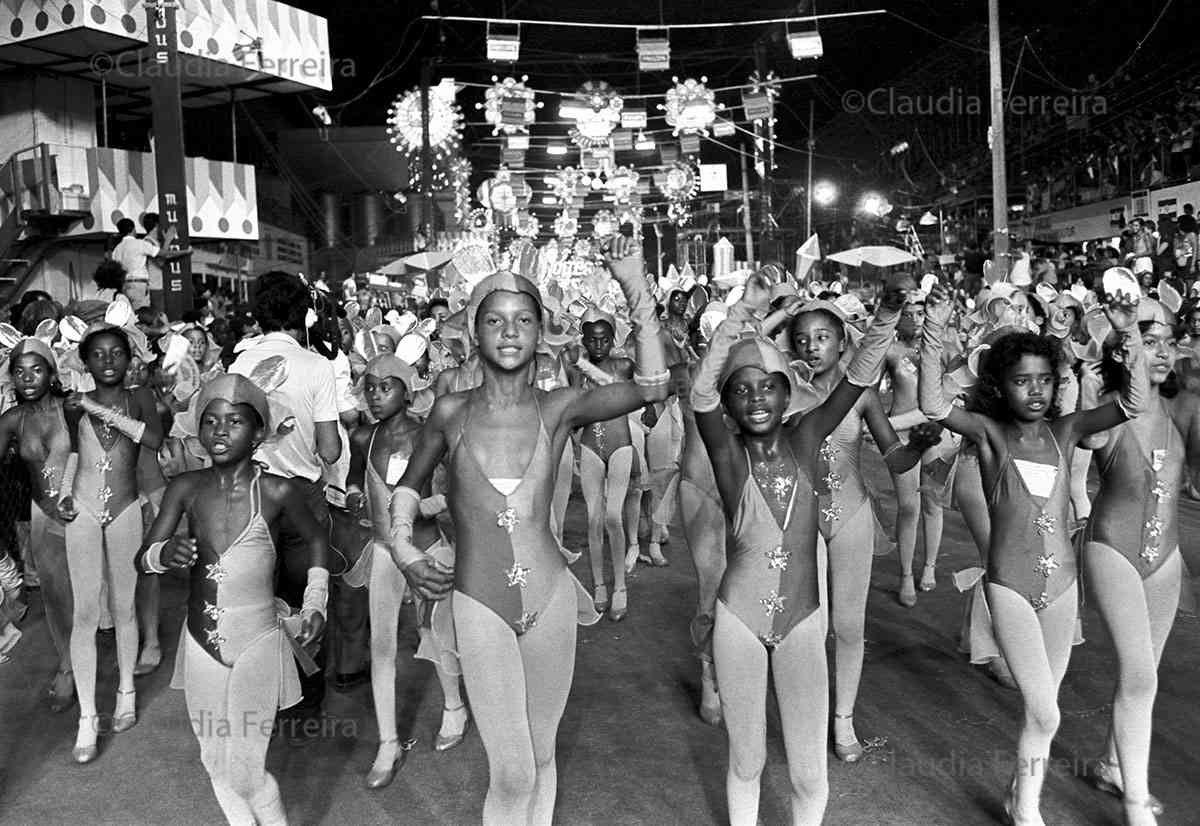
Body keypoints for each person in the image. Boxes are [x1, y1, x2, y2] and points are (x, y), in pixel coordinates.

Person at [390, 235, 668, 825]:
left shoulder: (560, 406)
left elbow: (654, 388)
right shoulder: (450, 411)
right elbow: (408, 489)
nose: (510, 331)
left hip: (551, 598)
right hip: (477, 600)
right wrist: (403, 551)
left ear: (542, 333)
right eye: (494, 320)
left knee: (542, 755)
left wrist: (636, 288)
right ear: (473, 331)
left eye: (522, 320)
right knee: (511, 771)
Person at [919, 284, 1146, 826]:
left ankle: (1021, 799)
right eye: (1022, 381)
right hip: (1010, 587)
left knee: (1041, 714)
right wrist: (935, 330)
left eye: (1045, 380)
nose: (1036, 391)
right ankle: (1026, 812)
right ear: (999, 386)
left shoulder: (1066, 431)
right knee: (1046, 709)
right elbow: (931, 405)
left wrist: (1129, 331)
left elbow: (1133, 404)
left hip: (1063, 589)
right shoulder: (991, 434)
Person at [691, 272, 904, 826]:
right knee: (748, 760)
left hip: (805, 621)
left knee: (809, 772)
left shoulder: (807, 436)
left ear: (789, 392)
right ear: (729, 405)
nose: (756, 398)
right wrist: (741, 315)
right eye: (742, 390)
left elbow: (857, 380)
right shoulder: (728, 456)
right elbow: (699, 394)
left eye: (768, 386)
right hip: (737, 619)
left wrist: (885, 318)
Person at [136, 374, 328, 826]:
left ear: (259, 431)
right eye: (210, 421)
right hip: (201, 641)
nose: (220, 431)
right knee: (211, 757)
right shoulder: (186, 488)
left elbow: (317, 540)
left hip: (257, 642)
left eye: (235, 421)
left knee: (244, 768)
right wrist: (164, 554)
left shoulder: (278, 491)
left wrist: (316, 598)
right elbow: (142, 559)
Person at [787, 300, 943, 761]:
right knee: (810, 627)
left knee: (850, 626)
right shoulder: (787, 390)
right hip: (801, 519)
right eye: (801, 339)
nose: (812, 347)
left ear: (841, 342)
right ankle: (811, 717)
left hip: (852, 514)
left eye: (822, 337)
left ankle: (844, 721)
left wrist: (916, 445)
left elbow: (894, 458)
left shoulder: (863, 395)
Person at [1082, 298, 1199, 826]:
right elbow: (1087, 435)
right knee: (1139, 676)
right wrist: (1124, 337)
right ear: (1124, 351)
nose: (1162, 352)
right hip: (1113, 550)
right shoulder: (1111, 408)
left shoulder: (1182, 409)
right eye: (1148, 343)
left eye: (1167, 342)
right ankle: (1134, 802)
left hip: (1166, 557)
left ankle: (1112, 765)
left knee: (1144, 673)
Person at [228, 271, 341, 740]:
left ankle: (260, 698)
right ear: (304, 313)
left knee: (251, 601)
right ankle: (306, 702)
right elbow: (331, 449)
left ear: (257, 311)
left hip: (248, 496)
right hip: (301, 498)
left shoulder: (236, 364)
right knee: (306, 597)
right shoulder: (316, 366)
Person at [347, 355, 467, 790]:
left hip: (427, 546)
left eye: (387, 387)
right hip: (382, 551)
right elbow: (354, 478)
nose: (377, 396)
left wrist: (412, 506)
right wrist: (355, 494)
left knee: (436, 632)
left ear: (408, 391)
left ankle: (454, 706)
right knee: (381, 644)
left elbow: (452, 493)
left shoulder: (429, 436)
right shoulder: (363, 437)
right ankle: (388, 741)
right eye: (371, 388)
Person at [58, 324, 164, 762]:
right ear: (85, 361)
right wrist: (64, 491)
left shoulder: (138, 396)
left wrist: (96, 409)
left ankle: (125, 691)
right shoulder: (72, 404)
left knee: (124, 605)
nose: (107, 361)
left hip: (124, 508)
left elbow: (153, 440)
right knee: (84, 612)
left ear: (129, 357)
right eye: (98, 354)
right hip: (81, 509)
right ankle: (87, 717)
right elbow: (74, 454)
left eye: (116, 353)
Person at [0, 338, 75, 710]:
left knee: (92, 593)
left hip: (82, 511)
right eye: (19, 371)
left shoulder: (72, 408)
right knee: (57, 598)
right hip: (43, 517)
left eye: (36, 369)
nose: (27, 377)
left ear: (52, 372)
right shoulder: (13, 420)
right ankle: (67, 667)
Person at [562, 309, 638, 620]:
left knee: (612, 516)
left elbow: (632, 393)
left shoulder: (624, 365)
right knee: (593, 518)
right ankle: (599, 584)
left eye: (604, 339)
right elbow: (573, 405)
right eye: (592, 340)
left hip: (621, 443)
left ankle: (620, 584)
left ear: (613, 340)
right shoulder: (576, 369)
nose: (598, 345)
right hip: (591, 445)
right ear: (585, 340)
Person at [111, 219, 159, 311]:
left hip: (123, 285)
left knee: (128, 313)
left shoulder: (117, 249)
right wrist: (185, 252)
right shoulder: (139, 243)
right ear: (133, 229)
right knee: (142, 313)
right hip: (138, 284)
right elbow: (163, 254)